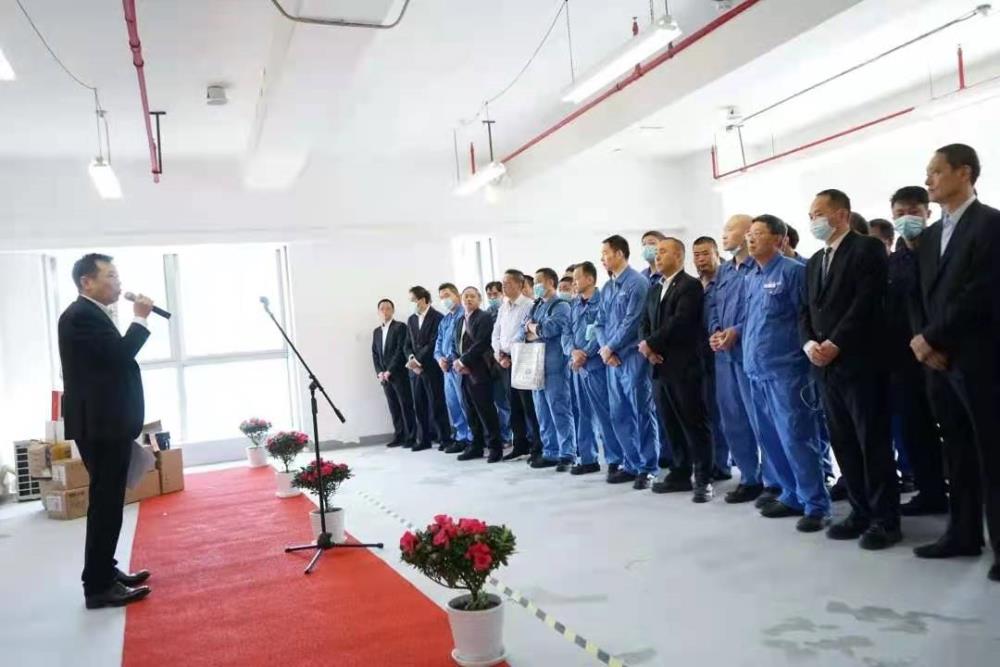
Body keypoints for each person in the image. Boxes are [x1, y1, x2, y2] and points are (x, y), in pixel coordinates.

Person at [910, 144, 999, 582]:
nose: (928, 180)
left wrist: (932, 337)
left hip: (979, 360)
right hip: (938, 363)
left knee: (991, 453)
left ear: (964, 173)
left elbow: (981, 294)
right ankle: (962, 534)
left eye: (936, 172)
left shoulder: (991, 225)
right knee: (956, 451)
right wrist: (921, 340)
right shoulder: (929, 237)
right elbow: (919, 295)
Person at [802, 189, 901, 549]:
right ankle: (859, 511)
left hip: (860, 363)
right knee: (843, 442)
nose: (814, 221)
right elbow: (806, 310)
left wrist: (836, 342)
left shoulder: (866, 248)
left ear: (842, 214)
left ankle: (885, 520)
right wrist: (809, 343)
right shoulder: (816, 261)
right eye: (811, 216)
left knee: (871, 442)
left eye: (819, 214)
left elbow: (867, 301)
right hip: (826, 369)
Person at [59, 253, 153, 609]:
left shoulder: (92, 314)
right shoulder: (80, 316)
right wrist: (140, 319)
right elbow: (120, 356)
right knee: (105, 504)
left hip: (106, 421)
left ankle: (105, 571)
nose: (118, 282)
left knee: (109, 502)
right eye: (110, 275)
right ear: (87, 282)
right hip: (101, 424)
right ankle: (98, 586)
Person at [743, 215, 832, 532]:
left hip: (788, 371)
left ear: (779, 239)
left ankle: (816, 505)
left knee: (798, 438)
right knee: (771, 440)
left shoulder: (794, 272)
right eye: (749, 234)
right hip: (757, 370)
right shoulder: (751, 277)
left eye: (758, 233)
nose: (750, 239)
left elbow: (807, 318)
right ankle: (791, 494)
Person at [641, 239, 715, 502]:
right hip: (659, 367)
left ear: (679, 256)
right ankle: (680, 472)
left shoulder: (689, 286)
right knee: (670, 423)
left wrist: (651, 343)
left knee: (694, 423)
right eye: (656, 252)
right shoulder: (654, 289)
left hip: (684, 367)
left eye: (663, 252)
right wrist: (647, 348)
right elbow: (644, 322)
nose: (657, 256)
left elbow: (681, 321)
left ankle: (704, 478)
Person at [888, 186, 948, 515]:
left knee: (956, 430)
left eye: (913, 211)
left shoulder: (942, 249)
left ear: (928, 212)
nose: (907, 218)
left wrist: (933, 341)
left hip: (943, 354)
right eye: (900, 213)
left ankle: (972, 493)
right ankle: (931, 492)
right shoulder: (894, 261)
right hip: (905, 361)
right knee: (915, 430)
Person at [709, 214, 769, 504]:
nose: (724, 234)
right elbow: (713, 305)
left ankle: (774, 481)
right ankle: (749, 478)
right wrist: (715, 330)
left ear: (748, 232)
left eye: (730, 229)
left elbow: (761, 310)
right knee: (732, 420)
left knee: (761, 420)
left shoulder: (759, 267)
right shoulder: (724, 270)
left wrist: (737, 331)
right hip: (724, 356)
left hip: (751, 353)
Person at [596, 235, 660, 488]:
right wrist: (605, 348)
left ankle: (648, 467)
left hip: (633, 357)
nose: (602, 258)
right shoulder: (607, 287)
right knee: (619, 414)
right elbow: (600, 322)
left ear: (620, 253)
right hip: (612, 360)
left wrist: (610, 347)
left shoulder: (637, 283)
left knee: (641, 412)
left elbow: (633, 321)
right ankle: (632, 464)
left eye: (606, 253)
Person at [566, 261, 620, 475]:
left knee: (605, 413)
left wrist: (585, 353)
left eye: (577, 278)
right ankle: (588, 458)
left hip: (596, 365)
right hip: (578, 367)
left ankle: (615, 458)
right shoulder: (574, 304)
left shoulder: (603, 300)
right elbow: (566, 333)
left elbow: (602, 330)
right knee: (582, 413)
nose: (573, 283)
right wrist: (573, 352)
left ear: (590, 279)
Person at [519, 268, 575, 469]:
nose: (535, 285)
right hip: (536, 367)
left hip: (555, 367)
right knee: (542, 412)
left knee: (559, 410)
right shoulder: (537, 306)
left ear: (551, 282)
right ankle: (550, 452)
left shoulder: (561, 306)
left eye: (539, 281)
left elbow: (550, 329)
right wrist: (533, 329)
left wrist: (533, 328)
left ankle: (567, 453)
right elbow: (523, 330)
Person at [691, 236, 733, 482]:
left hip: (724, 351)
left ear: (717, 254)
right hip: (701, 355)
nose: (701, 259)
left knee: (725, 411)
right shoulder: (696, 286)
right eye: (696, 255)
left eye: (706, 253)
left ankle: (724, 463)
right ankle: (715, 461)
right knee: (707, 411)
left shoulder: (726, 281)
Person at [492, 270, 540, 461]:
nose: (504, 286)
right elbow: (496, 333)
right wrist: (499, 353)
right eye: (503, 283)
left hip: (523, 359)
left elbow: (525, 333)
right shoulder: (503, 307)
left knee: (529, 406)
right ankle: (520, 445)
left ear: (520, 285)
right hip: (505, 361)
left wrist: (512, 352)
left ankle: (537, 447)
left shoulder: (529, 305)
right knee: (513, 406)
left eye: (508, 283)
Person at [452, 287, 504, 462]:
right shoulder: (460, 320)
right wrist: (457, 361)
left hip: (480, 371)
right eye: (465, 296)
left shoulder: (484, 317)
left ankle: (495, 448)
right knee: (470, 411)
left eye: (472, 296)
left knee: (486, 411)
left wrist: (463, 361)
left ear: (479, 299)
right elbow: (455, 344)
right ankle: (476, 446)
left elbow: (481, 343)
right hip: (463, 372)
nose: (468, 299)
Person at [404, 286, 453, 452]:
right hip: (415, 371)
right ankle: (423, 439)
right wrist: (411, 358)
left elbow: (434, 343)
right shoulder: (411, 319)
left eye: (413, 300)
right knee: (419, 405)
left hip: (431, 368)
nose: (411, 303)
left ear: (423, 299)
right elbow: (407, 344)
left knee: (437, 403)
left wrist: (418, 361)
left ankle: (444, 438)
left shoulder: (438, 317)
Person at [372, 299, 415, 448]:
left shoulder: (400, 327)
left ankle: (411, 436)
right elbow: (375, 354)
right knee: (393, 407)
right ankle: (399, 435)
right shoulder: (377, 332)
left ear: (393, 310)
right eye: (382, 309)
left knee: (405, 405)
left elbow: (400, 351)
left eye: (388, 308)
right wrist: (380, 372)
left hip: (398, 374)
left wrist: (390, 370)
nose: (385, 311)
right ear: (378, 312)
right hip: (384, 377)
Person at [434, 283, 473, 452]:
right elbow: (438, 343)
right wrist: (439, 359)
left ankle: (472, 438)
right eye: (442, 297)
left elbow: (459, 342)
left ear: (457, 295)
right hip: (446, 370)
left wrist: (450, 358)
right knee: (453, 404)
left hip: (459, 366)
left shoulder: (464, 315)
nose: (445, 300)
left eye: (447, 295)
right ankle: (461, 436)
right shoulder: (445, 320)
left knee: (465, 404)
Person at [484, 280, 512, 447]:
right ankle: (503, 435)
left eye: (495, 294)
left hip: (506, 360)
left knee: (510, 401)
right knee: (499, 400)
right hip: (491, 363)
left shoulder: (508, 310)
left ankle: (513, 436)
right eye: (489, 295)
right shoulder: (485, 314)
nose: (493, 297)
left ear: (502, 294)